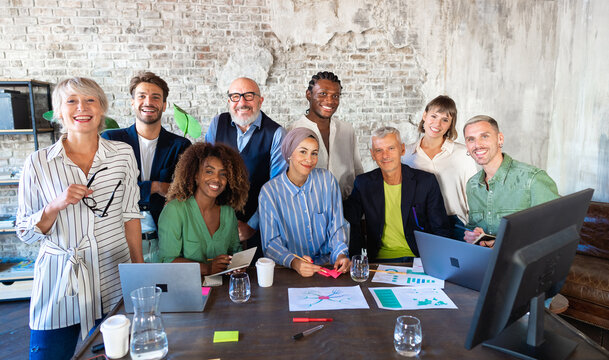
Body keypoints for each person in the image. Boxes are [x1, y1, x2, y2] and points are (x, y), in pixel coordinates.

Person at [16, 77, 143, 360]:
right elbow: (25, 232)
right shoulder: (38, 163)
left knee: (117, 355)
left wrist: (139, 271)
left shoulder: (122, 155)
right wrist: (55, 205)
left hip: (113, 276)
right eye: (71, 101)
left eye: (90, 100)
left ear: (102, 109)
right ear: (59, 111)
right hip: (59, 282)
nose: (81, 108)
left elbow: (130, 215)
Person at [102, 71, 191, 262]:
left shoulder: (180, 146)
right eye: (142, 96)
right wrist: (156, 187)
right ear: (133, 102)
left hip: (164, 241)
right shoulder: (111, 140)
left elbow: (181, 193)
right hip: (120, 240)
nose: (148, 102)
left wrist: (136, 188)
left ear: (164, 105)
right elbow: (108, 191)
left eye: (155, 97)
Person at [205, 77, 287, 259]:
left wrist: (251, 225)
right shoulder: (217, 124)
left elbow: (276, 188)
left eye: (249, 96)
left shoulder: (276, 133)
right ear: (229, 101)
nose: (242, 102)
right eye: (235, 96)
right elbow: (205, 175)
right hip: (216, 225)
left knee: (256, 281)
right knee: (218, 281)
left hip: (258, 228)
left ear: (260, 100)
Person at [344, 126, 452, 262]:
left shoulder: (426, 182)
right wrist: (356, 258)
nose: (385, 156)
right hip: (378, 262)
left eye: (391, 148)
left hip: (419, 259)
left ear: (402, 149)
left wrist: (439, 262)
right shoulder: (363, 183)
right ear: (372, 154)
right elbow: (350, 220)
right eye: (379, 150)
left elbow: (440, 228)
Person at [259, 128, 350, 277]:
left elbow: (337, 227)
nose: (309, 159)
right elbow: (271, 244)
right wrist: (294, 262)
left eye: (314, 153)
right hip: (289, 270)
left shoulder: (327, 181)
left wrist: (340, 255)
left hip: (327, 267)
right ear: (289, 154)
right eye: (303, 151)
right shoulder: (269, 192)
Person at [462, 115, 560, 247]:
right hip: (485, 260)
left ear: (499, 139)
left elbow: (556, 230)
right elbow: (475, 227)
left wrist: (504, 244)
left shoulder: (533, 179)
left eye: (484, 136)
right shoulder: (472, 185)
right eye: (471, 139)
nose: (477, 145)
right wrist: (474, 235)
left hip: (524, 262)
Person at [158, 142, 249, 275]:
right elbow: (167, 261)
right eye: (209, 171)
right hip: (185, 289)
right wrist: (207, 268)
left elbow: (235, 249)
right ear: (195, 175)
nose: (216, 179)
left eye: (223, 174)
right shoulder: (174, 211)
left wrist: (238, 264)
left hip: (223, 290)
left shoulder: (228, 212)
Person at [401, 95, 478, 240]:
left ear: (450, 124)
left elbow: (473, 196)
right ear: (424, 115)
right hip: (420, 224)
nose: (437, 123)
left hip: (455, 224)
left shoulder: (463, 154)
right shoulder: (406, 155)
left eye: (445, 120)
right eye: (434, 116)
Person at [289, 71, 364, 199]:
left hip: (346, 207)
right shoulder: (292, 131)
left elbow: (357, 171)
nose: (329, 101)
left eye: (335, 96)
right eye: (323, 94)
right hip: (308, 208)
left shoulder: (347, 130)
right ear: (309, 95)